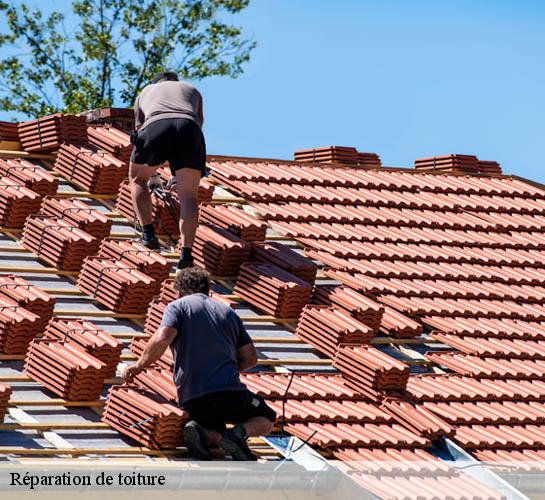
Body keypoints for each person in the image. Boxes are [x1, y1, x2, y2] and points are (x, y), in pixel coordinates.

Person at [122, 267, 276, 461]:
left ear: (178, 291)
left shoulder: (177, 306)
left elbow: (162, 338)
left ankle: (202, 432)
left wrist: (138, 366)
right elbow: (251, 358)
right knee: (268, 418)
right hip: (229, 392)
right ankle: (236, 435)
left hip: (193, 396)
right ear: (208, 290)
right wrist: (224, 369)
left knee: (212, 429)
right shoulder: (228, 312)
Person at [129, 70, 206, 269]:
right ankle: (186, 254)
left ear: (157, 82)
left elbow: (140, 130)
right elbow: (199, 122)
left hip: (156, 125)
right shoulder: (192, 89)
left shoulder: (146, 91)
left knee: (137, 179)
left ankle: (148, 235)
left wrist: (152, 173)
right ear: (175, 82)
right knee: (188, 195)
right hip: (189, 129)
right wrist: (179, 169)